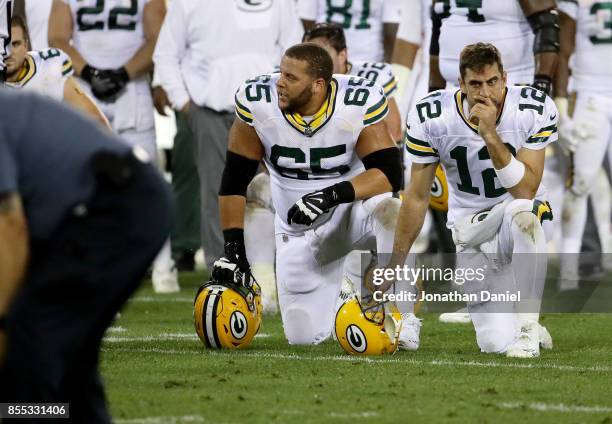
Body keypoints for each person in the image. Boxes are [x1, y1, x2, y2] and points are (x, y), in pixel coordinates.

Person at [214, 43, 421, 348]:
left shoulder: (355, 102)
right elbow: (233, 182)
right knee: (302, 338)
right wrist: (232, 248)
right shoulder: (258, 102)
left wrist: (331, 195)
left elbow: (390, 174)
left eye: (291, 77)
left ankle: (401, 317)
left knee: (391, 209)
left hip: (349, 215)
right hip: (296, 231)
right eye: (281, 72)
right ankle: (342, 290)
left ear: (318, 85)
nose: (280, 83)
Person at [0, 90, 173, 422]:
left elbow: (10, 225)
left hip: (114, 205)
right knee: (71, 357)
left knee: (32, 332)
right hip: (119, 201)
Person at [384, 43, 556, 357]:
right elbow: (417, 198)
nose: (485, 92)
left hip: (516, 217)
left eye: (492, 81)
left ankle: (529, 331)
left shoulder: (532, 107)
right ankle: (515, 321)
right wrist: (393, 266)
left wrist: (490, 134)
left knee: (523, 212)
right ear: (460, 84)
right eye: (475, 84)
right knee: (493, 344)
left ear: (504, 78)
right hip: (471, 232)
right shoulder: (431, 116)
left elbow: (526, 190)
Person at [430, 0, 560, 323]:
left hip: (511, 95)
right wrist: (432, 91)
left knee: (522, 202)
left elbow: (547, 24)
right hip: (453, 92)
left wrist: (542, 83)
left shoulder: (528, 106)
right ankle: (482, 293)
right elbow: (437, 29)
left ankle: (526, 318)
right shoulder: (437, 108)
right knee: (457, 188)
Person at [153, 0, 302, 270]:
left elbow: (294, 48)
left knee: (279, 189)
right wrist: (184, 103)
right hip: (210, 109)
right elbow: (165, 54)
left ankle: (279, 269)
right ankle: (222, 271)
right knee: (216, 193)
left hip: (268, 112)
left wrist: (286, 100)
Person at [48, 0, 179, 293]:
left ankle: (162, 264)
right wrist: (90, 72)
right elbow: (56, 36)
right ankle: (92, 264)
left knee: (146, 178)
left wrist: (122, 73)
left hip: (129, 89)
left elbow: (158, 36)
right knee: (83, 181)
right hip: (81, 88)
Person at [554, 0, 612, 284]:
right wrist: (561, 104)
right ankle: (568, 272)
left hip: (592, 94)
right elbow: (564, 49)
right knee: (579, 183)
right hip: (590, 95)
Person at [5, 15, 109, 127]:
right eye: (3, 44)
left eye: (15, 44)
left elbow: (95, 120)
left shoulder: (49, 65)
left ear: (25, 46)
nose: (9, 53)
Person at [297, 0, 402, 63]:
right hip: (367, 55)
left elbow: (306, 19)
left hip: (325, 54)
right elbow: (391, 26)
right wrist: (387, 64)